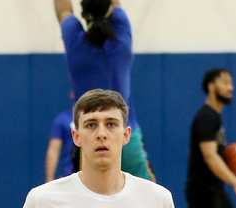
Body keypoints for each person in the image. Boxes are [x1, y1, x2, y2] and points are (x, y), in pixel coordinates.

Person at [53, 0, 155, 181]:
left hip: (87, 139)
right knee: (149, 195)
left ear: (84, 15)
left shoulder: (74, 40)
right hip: (123, 136)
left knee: (86, 197)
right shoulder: (121, 38)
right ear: (110, 10)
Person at [24, 89, 174, 208]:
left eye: (111, 124)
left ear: (126, 135)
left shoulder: (157, 200)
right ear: (76, 136)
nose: (101, 134)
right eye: (91, 125)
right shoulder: (43, 201)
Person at [185, 68, 236, 208]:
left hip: (213, 189)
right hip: (204, 193)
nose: (230, 88)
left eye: (231, 83)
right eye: (225, 83)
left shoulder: (214, 116)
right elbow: (210, 155)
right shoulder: (206, 117)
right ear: (211, 87)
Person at [46, 105, 79, 181]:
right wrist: (49, 180)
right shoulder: (63, 119)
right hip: (69, 175)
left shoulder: (99, 119)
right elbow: (54, 150)